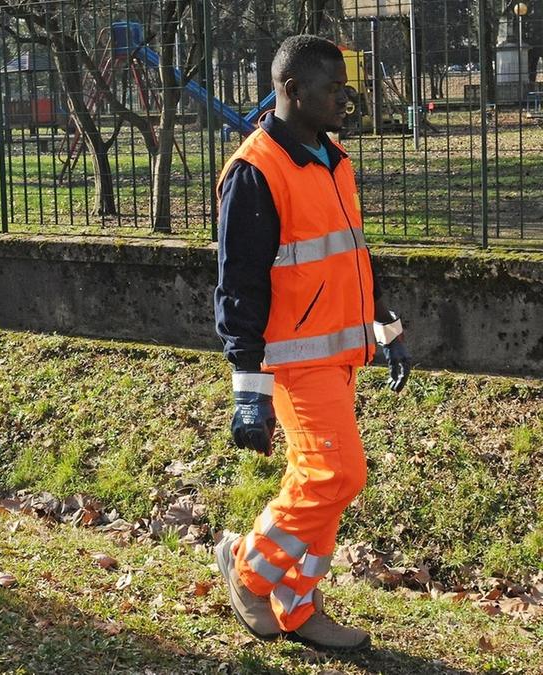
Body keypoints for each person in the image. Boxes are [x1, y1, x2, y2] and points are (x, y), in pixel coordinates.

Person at [212, 35, 412, 651]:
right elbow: (238, 287)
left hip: (341, 353)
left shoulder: (333, 157)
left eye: (346, 88)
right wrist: (249, 388)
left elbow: (352, 254)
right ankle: (248, 569)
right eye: (333, 89)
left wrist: (385, 326)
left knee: (318, 479)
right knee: (337, 475)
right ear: (292, 90)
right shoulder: (255, 171)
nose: (345, 100)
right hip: (294, 363)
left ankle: (298, 605)